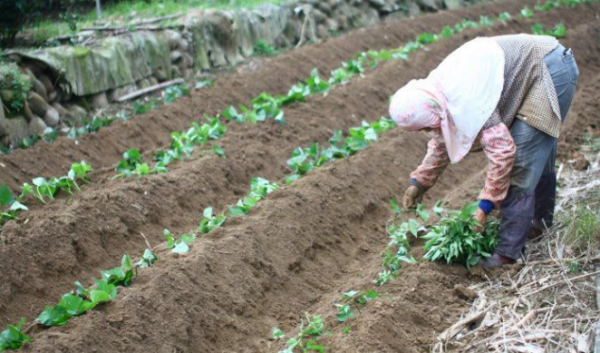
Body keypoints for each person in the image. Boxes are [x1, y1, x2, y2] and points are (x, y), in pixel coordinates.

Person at [389, 34, 579, 268]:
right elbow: (442, 138)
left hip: (548, 68)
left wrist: (485, 206)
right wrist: (419, 182)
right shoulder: (436, 95)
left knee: (523, 161)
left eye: (426, 126)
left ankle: (507, 254)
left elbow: (503, 153)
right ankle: (538, 225)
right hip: (527, 69)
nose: (427, 131)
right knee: (534, 154)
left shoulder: (468, 98)